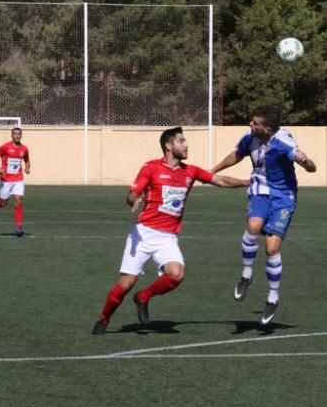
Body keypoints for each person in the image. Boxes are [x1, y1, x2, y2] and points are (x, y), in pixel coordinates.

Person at [92, 127, 247, 335]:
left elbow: (220, 180)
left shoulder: (190, 171)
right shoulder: (150, 167)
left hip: (167, 237)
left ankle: (143, 297)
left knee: (176, 274)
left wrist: (247, 182)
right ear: (168, 146)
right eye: (181, 141)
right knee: (126, 283)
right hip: (143, 234)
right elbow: (131, 195)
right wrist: (135, 199)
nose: (186, 145)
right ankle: (103, 319)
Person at [211, 107, 317, 325]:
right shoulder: (250, 138)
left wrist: (306, 162)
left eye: (254, 123)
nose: (250, 124)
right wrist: (213, 170)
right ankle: (247, 275)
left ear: (267, 129)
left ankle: (272, 297)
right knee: (253, 226)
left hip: (284, 197)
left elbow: (311, 168)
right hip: (259, 190)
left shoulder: (283, 143)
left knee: (272, 249)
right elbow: (236, 155)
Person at [0, 127, 30, 237]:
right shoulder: (5, 147)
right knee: (3, 203)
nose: (17, 135)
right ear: (12, 135)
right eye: (15, 134)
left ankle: (18, 227)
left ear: (21, 135)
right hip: (6, 180)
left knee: (18, 201)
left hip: (18, 179)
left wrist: (27, 168)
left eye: (19, 134)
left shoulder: (24, 149)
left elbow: (27, 160)